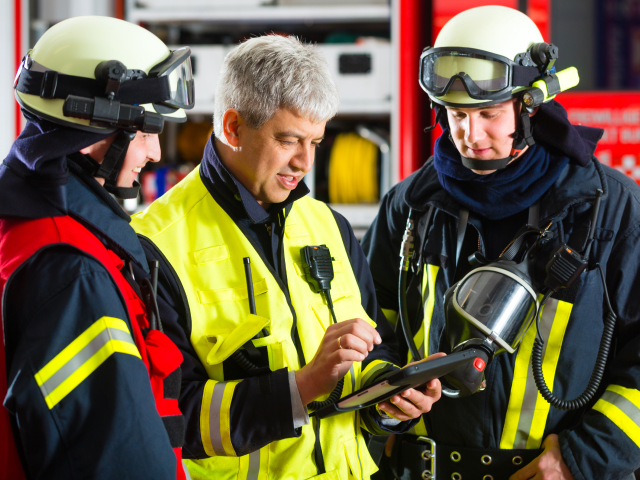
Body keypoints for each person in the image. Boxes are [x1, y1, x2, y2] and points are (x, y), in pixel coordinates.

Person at [130, 34, 442, 480]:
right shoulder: (154, 246)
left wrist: (392, 399)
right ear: (233, 128)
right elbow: (167, 418)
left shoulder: (328, 226)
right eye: (289, 140)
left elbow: (377, 347)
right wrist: (301, 389)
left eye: (315, 141)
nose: (305, 162)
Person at [362, 5, 640, 480]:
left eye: (489, 114)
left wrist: (580, 459)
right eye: (455, 114)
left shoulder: (611, 210)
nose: (470, 135)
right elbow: (370, 328)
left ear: (531, 106)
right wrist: (382, 395)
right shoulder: (410, 205)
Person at [0, 16, 195, 479]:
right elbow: (118, 456)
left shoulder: (27, 223)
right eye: (147, 132)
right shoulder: (74, 272)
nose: (155, 154)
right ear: (94, 135)